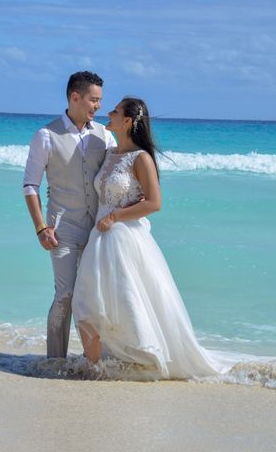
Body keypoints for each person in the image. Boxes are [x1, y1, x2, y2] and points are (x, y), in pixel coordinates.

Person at [72, 97, 229, 379]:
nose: (109, 112)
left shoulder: (141, 158)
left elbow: (154, 203)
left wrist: (116, 216)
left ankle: (142, 360)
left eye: (116, 111)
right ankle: (95, 369)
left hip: (123, 238)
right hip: (99, 237)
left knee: (124, 302)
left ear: (128, 122)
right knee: (87, 301)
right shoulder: (109, 154)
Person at [23, 71, 116, 358]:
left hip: (98, 230)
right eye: (93, 100)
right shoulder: (46, 135)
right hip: (62, 230)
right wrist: (41, 227)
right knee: (65, 295)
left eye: (100, 100)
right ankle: (54, 361)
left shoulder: (105, 135)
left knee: (97, 298)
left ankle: (96, 360)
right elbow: (30, 185)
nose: (98, 106)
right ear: (75, 97)